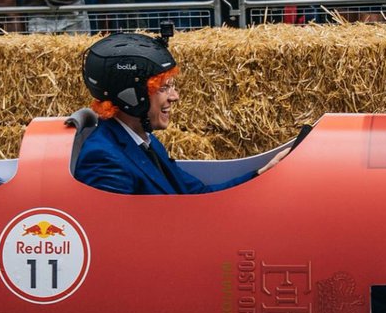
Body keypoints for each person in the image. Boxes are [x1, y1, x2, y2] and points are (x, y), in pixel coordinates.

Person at [74, 31, 285, 195]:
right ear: (131, 96)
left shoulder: (144, 141)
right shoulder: (103, 158)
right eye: (164, 88)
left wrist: (262, 174)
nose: (175, 96)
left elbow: (197, 195)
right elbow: (121, 238)